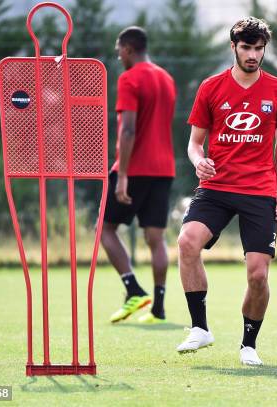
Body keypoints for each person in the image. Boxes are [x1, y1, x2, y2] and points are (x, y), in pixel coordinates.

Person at [176, 17, 277, 365]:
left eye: (259, 48)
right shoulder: (211, 88)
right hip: (216, 187)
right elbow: (194, 143)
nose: (253, 55)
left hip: (260, 190)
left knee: (258, 274)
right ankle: (200, 328)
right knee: (186, 242)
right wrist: (198, 161)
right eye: (247, 47)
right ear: (234, 47)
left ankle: (248, 346)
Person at [101, 26, 176, 325]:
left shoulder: (129, 78)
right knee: (155, 238)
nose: (118, 55)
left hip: (135, 169)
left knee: (105, 230)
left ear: (129, 49)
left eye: (119, 49)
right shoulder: (167, 79)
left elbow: (128, 129)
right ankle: (158, 307)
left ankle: (133, 289)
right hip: (164, 169)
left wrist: (122, 176)